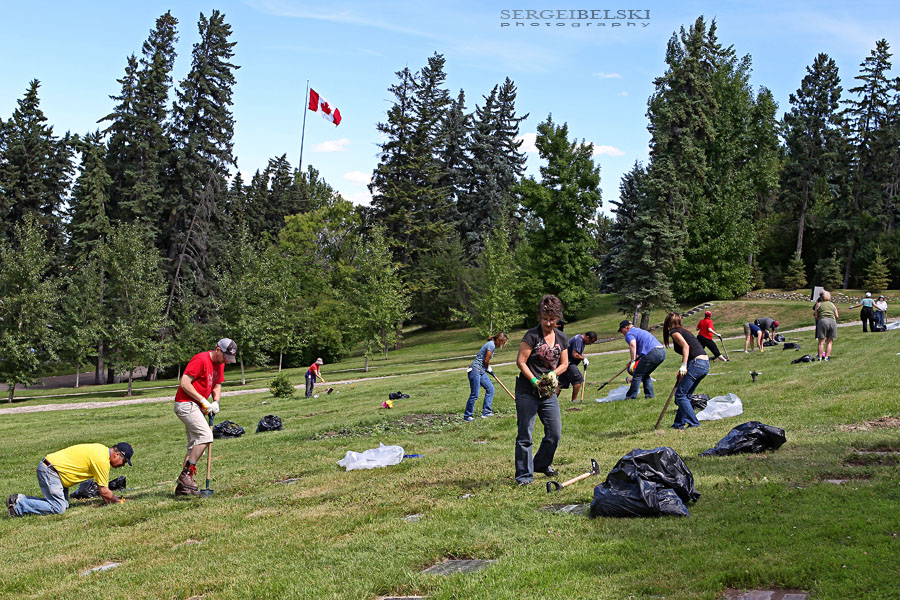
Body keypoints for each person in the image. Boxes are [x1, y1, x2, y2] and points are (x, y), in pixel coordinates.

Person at [514, 295, 568, 486]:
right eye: (544, 318)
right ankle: (524, 477)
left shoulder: (561, 337)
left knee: (554, 433)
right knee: (525, 435)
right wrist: (535, 380)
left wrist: (554, 373)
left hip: (548, 393)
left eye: (551, 319)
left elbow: (564, 363)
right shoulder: (532, 336)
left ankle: (541, 464)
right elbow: (521, 362)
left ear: (557, 318)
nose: (547, 322)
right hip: (527, 391)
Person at [173, 338, 236, 496]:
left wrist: (216, 402)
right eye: (225, 357)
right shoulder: (200, 359)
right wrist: (202, 399)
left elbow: (217, 384)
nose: (226, 361)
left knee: (194, 444)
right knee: (206, 436)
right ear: (217, 349)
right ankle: (185, 475)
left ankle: (183, 488)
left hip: (198, 406)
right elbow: (184, 383)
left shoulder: (220, 364)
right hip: (185, 404)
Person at [7, 442, 133, 517]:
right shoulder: (102, 460)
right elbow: (104, 492)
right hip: (51, 471)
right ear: (117, 455)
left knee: (64, 505)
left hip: (55, 471)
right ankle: (18, 503)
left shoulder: (100, 450)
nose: (122, 465)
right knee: (59, 508)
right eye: (123, 461)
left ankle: (20, 502)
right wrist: (120, 501)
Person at [663, 313, 709, 429]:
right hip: (704, 363)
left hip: (696, 363)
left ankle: (694, 423)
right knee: (686, 395)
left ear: (667, 323)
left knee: (680, 395)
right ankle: (678, 424)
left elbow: (686, 347)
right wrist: (684, 367)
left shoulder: (674, 332)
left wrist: (684, 366)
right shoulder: (684, 331)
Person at [464, 333, 509, 421]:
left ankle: (486, 412)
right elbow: (486, 360)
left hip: (481, 370)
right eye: (503, 343)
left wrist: (487, 368)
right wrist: (488, 367)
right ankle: (467, 415)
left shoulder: (492, 345)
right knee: (475, 394)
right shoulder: (491, 345)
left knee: (490, 389)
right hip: (475, 370)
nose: (502, 345)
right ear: (499, 340)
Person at [619, 320, 666, 399]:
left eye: (621, 330)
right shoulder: (639, 330)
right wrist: (633, 361)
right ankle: (650, 396)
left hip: (652, 352)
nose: (621, 332)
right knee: (645, 374)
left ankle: (630, 397)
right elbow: (638, 352)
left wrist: (633, 361)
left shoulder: (629, 334)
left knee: (637, 375)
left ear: (626, 327)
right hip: (661, 352)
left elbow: (632, 345)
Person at [557, 331, 598, 402]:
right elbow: (575, 354)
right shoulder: (579, 340)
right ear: (587, 337)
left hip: (564, 363)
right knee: (577, 380)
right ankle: (574, 400)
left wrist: (582, 358)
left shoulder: (579, 339)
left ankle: (551, 400)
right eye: (591, 341)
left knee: (561, 383)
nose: (590, 344)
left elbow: (579, 351)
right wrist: (583, 358)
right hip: (568, 363)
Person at [815, 290, 839, 361]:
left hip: (823, 321)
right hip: (832, 321)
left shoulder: (818, 304)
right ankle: (827, 357)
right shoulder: (832, 304)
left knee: (821, 342)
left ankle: (819, 357)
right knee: (830, 341)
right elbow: (837, 316)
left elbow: (816, 316)